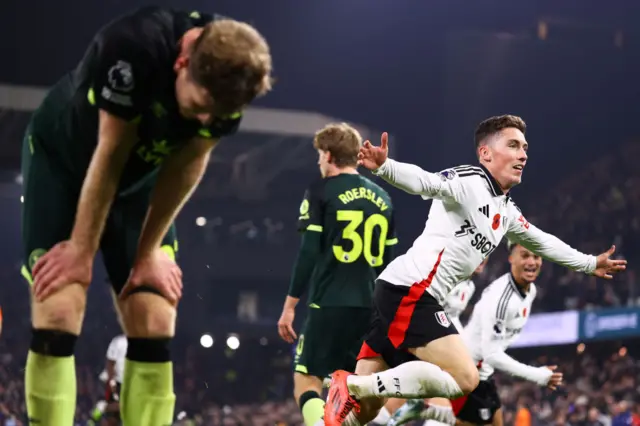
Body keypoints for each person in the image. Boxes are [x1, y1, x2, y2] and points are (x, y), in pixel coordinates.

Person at [20, 7, 272, 425]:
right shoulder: (130, 49)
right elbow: (110, 156)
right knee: (60, 309)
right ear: (182, 61)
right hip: (65, 166)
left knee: (155, 319)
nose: (208, 121)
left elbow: (187, 164)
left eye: (220, 115)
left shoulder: (230, 79)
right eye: (202, 106)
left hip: (138, 184)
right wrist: (81, 251)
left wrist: (148, 252)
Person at [323, 114, 627, 426]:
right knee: (465, 377)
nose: (523, 154)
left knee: (365, 412)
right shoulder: (470, 181)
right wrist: (387, 167)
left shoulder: (506, 210)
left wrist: (589, 263)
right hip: (412, 290)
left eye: (525, 147)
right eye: (513, 145)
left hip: (401, 293)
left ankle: (345, 400)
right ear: (486, 154)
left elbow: (542, 240)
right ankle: (353, 384)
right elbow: (426, 182)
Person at [277, 123, 398, 426]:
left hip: (328, 303)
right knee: (358, 388)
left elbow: (308, 253)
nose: (318, 162)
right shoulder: (383, 198)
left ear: (328, 155)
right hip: (370, 307)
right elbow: (389, 264)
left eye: (319, 155)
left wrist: (290, 306)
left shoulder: (320, 192)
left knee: (307, 380)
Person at [390, 243, 560, 426]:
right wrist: (537, 375)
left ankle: (426, 410)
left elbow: (452, 318)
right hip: (469, 370)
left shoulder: (475, 287)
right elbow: (491, 354)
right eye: (525, 256)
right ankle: (426, 411)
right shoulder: (494, 297)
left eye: (536, 257)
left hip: (481, 368)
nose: (532, 262)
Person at [376, 259, 488, 425]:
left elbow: (452, 316)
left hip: (436, 341)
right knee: (397, 398)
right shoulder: (445, 276)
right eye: (479, 253)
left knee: (433, 398)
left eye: (486, 254)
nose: (482, 259)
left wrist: (463, 343)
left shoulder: (469, 287)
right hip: (416, 338)